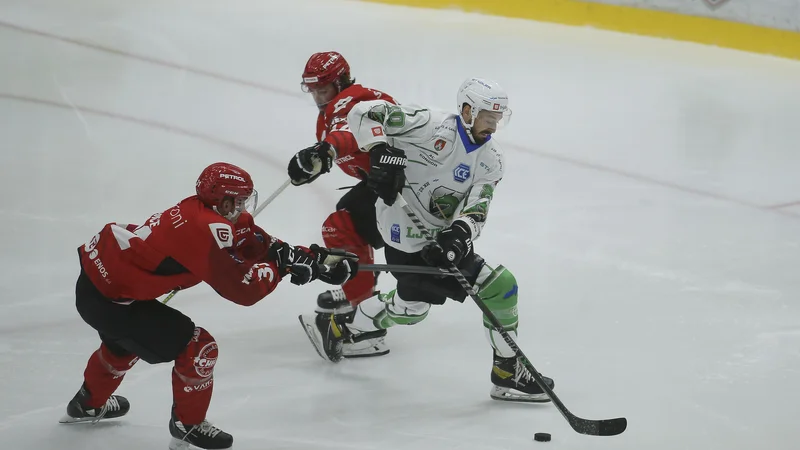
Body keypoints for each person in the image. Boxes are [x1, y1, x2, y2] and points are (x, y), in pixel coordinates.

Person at [61, 162, 358, 450]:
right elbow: (244, 290)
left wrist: (309, 260)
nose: (243, 207)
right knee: (198, 347)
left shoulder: (205, 212)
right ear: (223, 201)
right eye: (239, 201)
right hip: (110, 301)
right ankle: (187, 426)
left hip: (101, 286)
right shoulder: (203, 229)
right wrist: (280, 269)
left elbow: (256, 242)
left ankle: (85, 405)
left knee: (123, 346)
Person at [299, 78, 556, 403]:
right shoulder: (426, 124)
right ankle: (507, 372)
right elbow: (364, 113)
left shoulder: (491, 160)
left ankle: (340, 326)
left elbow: (478, 206)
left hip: (440, 238)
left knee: (414, 307)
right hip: (401, 234)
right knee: (488, 289)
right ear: (466, 110)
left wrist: (459, 236)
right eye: (487, 117)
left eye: (497, 119)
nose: (492, 125)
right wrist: (379, 150)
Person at [287, 51, 398, 358]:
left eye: (322, 89)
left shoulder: (353, 101)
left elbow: (349, 132)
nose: (317, 96)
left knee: (341, 227)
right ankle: (361, 294)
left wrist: (328, 150)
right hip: (395, 183)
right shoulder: (332, 110)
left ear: (340, 82)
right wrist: (315, 163)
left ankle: (366, 329)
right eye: (313, 90)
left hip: (408, 189)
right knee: (347, 219)